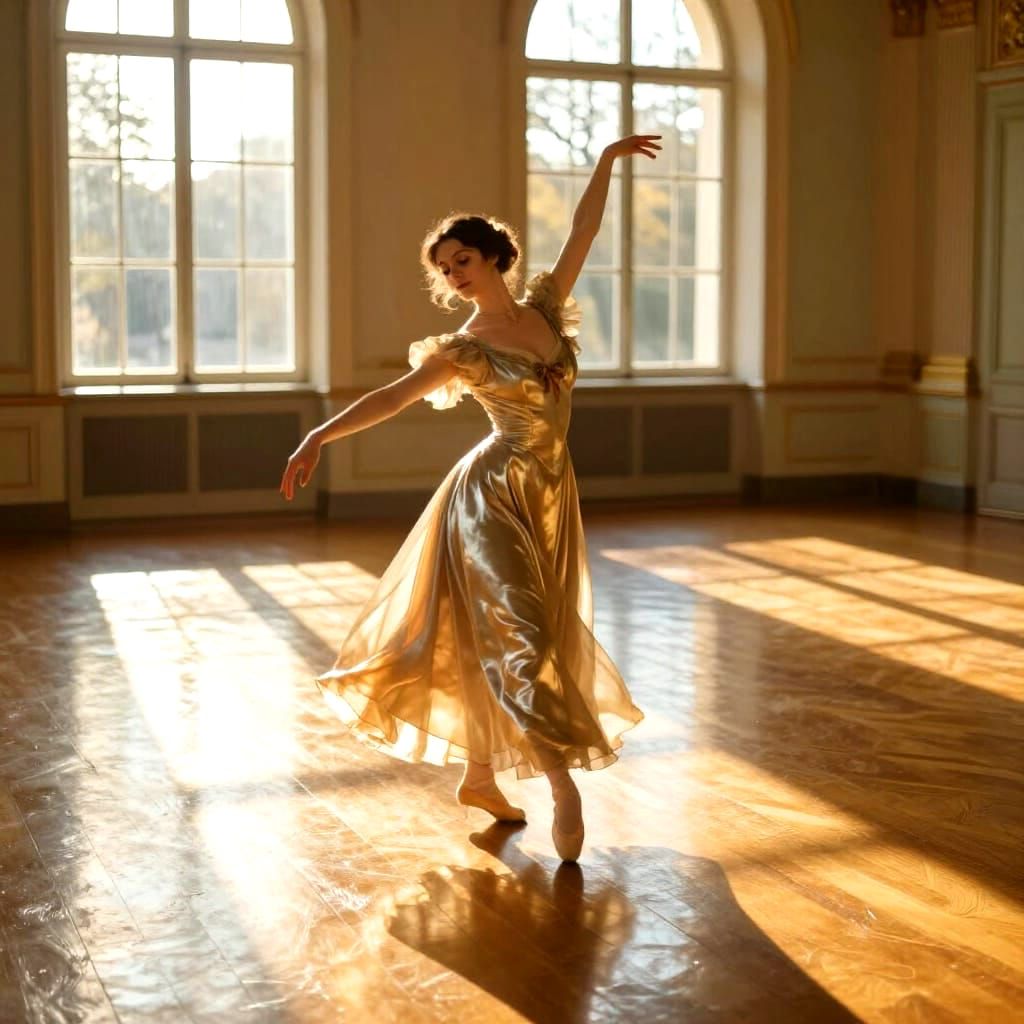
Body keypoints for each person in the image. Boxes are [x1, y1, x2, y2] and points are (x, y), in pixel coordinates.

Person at [280, 134, 660, 861]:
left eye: (462, 260)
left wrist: (606, 161)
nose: (453, 275)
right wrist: (319, 436)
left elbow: (583, 231)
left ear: (493, 258)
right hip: (490, 498)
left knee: (509, 636)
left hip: (551, 494)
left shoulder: (545, 308)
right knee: (522, 639)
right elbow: (392, 397)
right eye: (444, 268)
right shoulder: (466, 347)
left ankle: (479, 777)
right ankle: (561, 785)